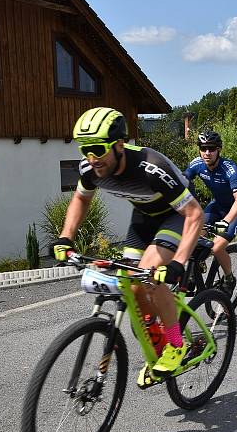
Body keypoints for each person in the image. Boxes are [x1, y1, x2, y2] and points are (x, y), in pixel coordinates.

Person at [52, 107, 204, 384]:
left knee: (150, 274)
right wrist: (65, 238)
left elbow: (194, 214)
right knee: (132, 285)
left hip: (175, 216)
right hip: (143, 219)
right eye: (84, 149)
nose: (91, 157)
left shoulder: (151, 167)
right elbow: (81, 199)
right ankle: (157, 346)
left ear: (120, 144)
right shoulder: (91, 169)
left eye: (97, 148)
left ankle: (175, 342)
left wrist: (177, 264)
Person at [183, 130, 237, 294]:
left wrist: (224, 222)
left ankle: (229, 279)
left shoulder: (229, 168)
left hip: (236, 210)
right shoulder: (197, 164)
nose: (207, 153)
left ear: (219, 149)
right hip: (217, 206)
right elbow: (181, 183)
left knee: (218, 246)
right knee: (194, 235)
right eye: (203, 148)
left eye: (211, 149)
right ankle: (195, 268)